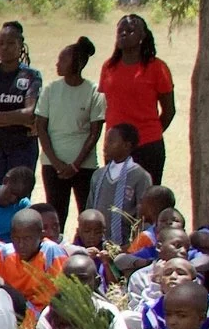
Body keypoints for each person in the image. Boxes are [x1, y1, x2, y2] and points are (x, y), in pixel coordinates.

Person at [34, 35, 105, 232]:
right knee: (56, 213)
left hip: (85, 165)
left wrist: (75, 164)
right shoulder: (50, 90)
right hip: (52, 165)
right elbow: (41, 127)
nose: (58, 63)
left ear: (79, 63)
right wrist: (56, 162)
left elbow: (95, 132)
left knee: (87, 213)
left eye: (63, 59)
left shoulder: (94, 92)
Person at [99, 13, 177, 184]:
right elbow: (106, 106)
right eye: (120, 31)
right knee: (116, 202)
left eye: (130, 30)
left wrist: (151, 134)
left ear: (143, 36)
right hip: (116, 147)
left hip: (148, 145)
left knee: (147, 200)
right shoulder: (108, 67)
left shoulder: (157, 68)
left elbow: (169, 110)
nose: (123, 34)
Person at [0, 21, 44, 188]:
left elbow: (29, 114)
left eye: (11, 43)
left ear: (21, 46)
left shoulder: (31, 75)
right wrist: (17, 117)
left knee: (19, 194)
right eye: (0, 43)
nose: (5, 47)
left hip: (22, 147)